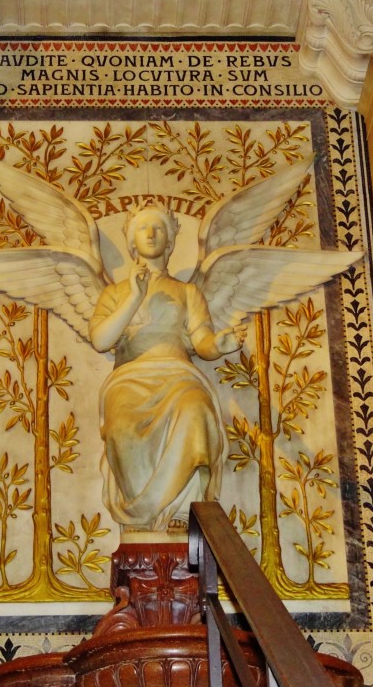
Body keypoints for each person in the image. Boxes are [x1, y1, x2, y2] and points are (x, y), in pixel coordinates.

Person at [90, 204, 245, 534]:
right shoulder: (114, 293)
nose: (150, 233)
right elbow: (101, 340)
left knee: (195, 407)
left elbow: (201, 341)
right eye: (143, 228)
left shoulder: (188, 292)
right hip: (130, 380)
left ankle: (183, 505)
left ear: (171, 241)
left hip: (178, 376)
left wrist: (221, 345)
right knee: (121, 427)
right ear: (132, 243)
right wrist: (134, 297)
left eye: (158, 228)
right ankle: (143, 515)